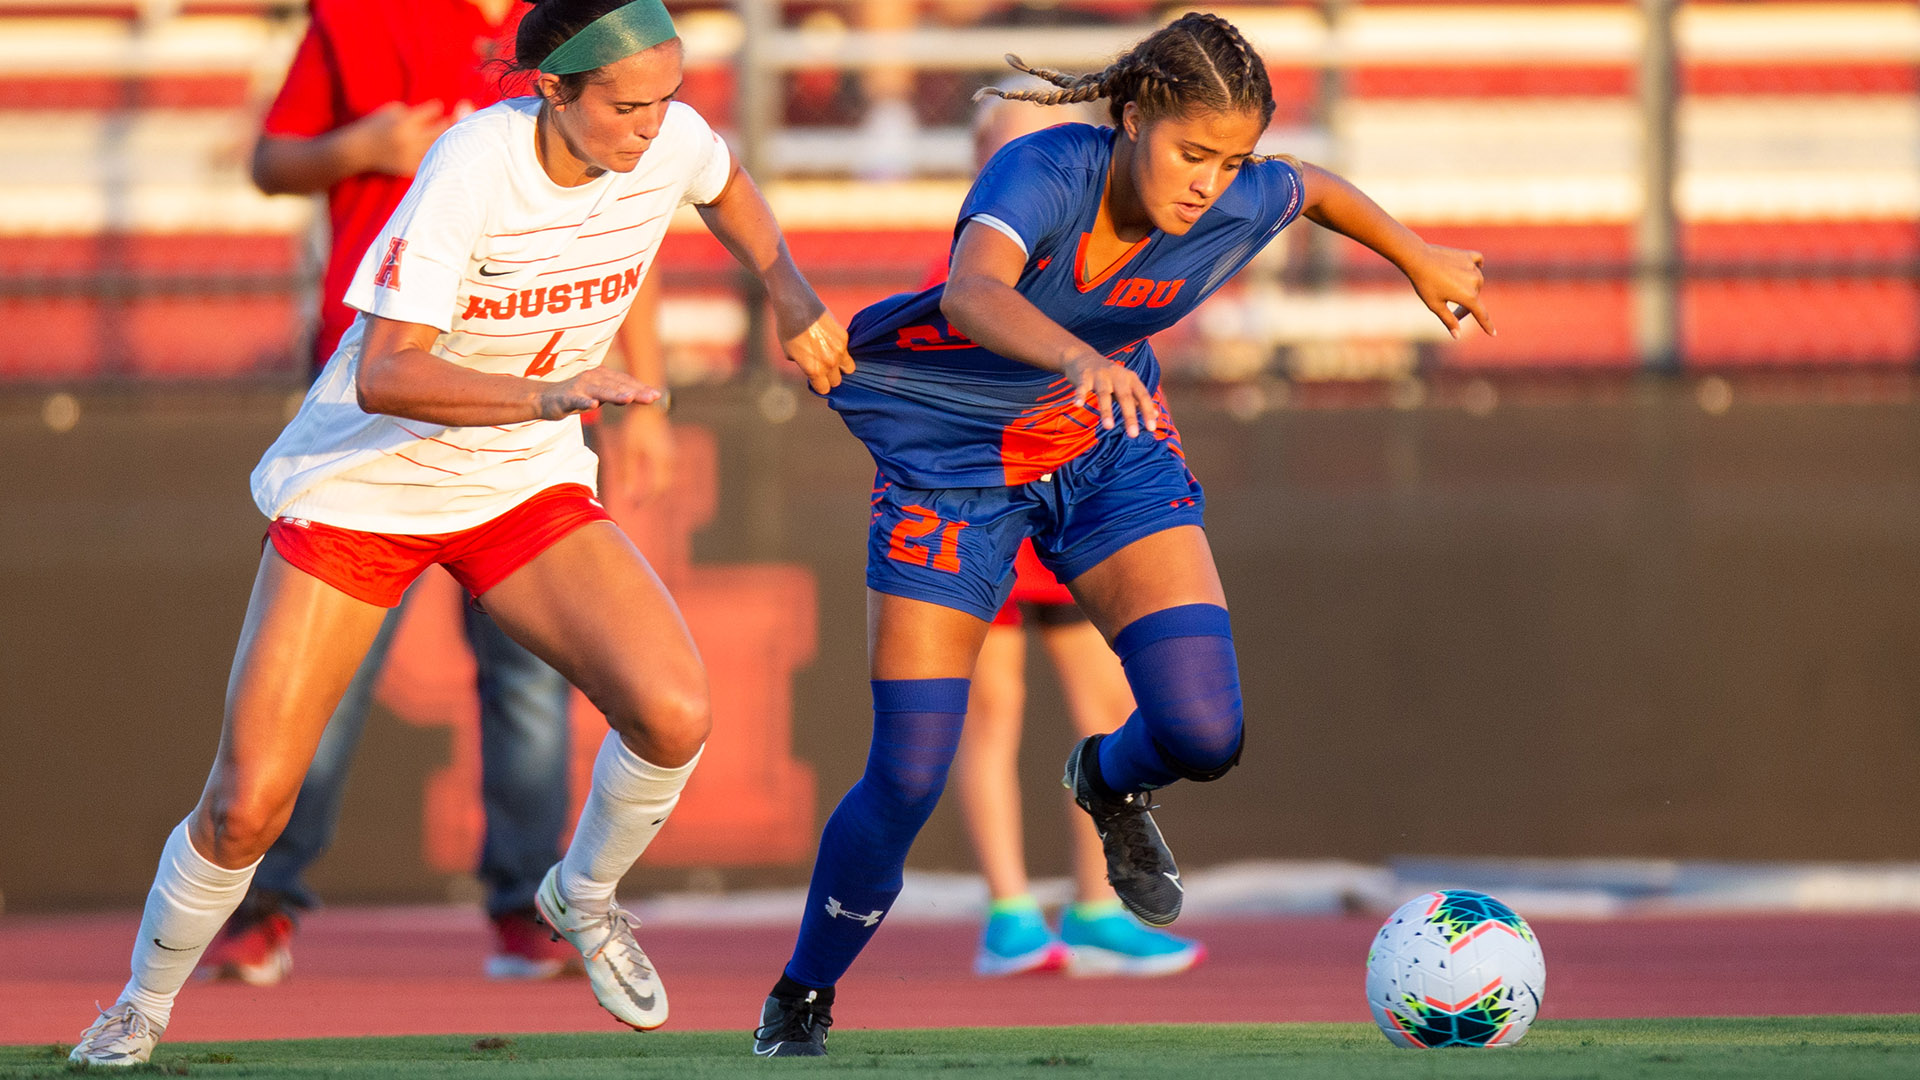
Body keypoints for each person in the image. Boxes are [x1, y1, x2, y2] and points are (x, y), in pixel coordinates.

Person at [69, 0, 852, 1065]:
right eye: (627, 105)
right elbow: (388, 371)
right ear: (553, 90)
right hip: (368, 488)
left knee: (674, 711)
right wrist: (549, 393)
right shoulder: (472, 165)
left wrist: (787, 286)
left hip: (518, 490)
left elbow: (727, 186)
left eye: (667, 98)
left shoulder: (665, 134)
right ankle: (140, 1005)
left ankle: (581, 896)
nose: (652, 126)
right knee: (247, 804)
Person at [751, 11, 1493, 1056]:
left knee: (1204, 732)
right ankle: (802, 993)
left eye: (1228, 159)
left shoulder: (1232, 193)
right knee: (909, 773)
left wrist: (1415, 256)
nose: (1209, 182)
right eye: (1193, 153)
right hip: (954, 470)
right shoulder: (1043, 169)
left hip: (1104, 451)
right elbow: (970, 293)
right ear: (1135, 116)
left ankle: (1103, 779)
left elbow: (1309, 185)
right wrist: (1075, 357)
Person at [193, 0, 658, 989]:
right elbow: (272, 163)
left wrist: (651, 392)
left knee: (529, 677)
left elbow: (632, 209)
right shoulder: (365, 18)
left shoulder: (595, 34)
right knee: (325, 687)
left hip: (525, 414)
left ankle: (529, 910)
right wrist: (356, 144)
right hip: (383, 408)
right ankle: (259, 904)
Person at [947, 93, 1203, 979]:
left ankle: (1098, 903)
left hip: (1079, 498)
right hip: (988, 499)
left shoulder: (1117, 256)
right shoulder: (977, 262)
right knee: (992, 711)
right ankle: (1010, 909)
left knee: (1105, 704)